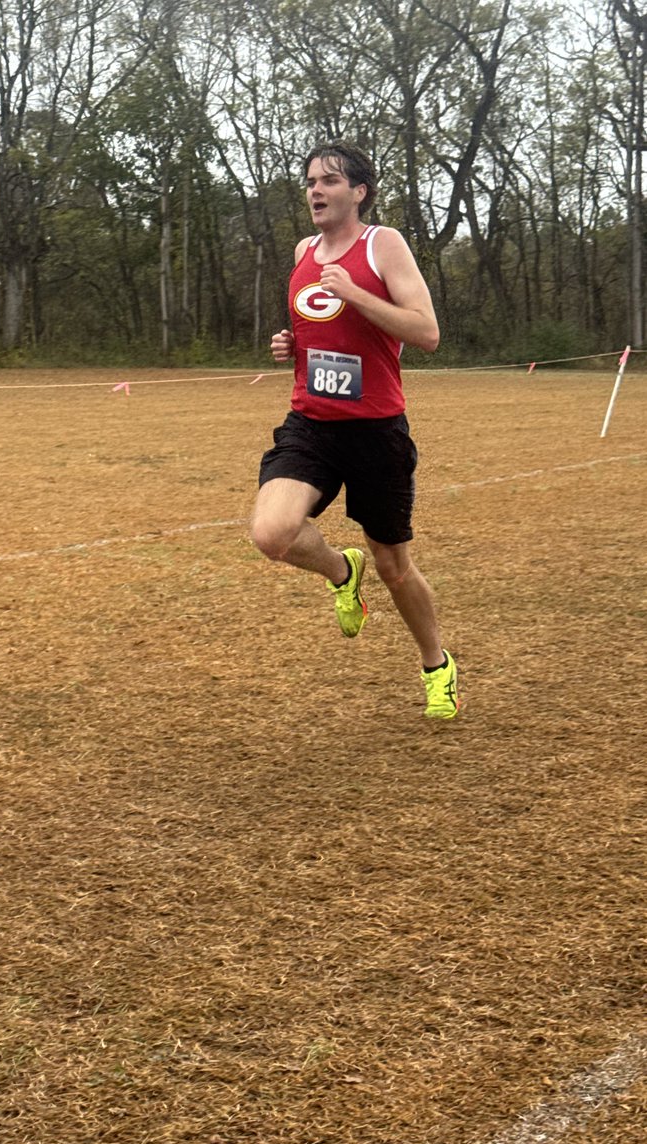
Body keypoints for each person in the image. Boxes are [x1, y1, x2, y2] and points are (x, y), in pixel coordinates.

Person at [250, 141, 459, 719]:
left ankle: (436, 664)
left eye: (330, 181)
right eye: (311, 180)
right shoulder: (303, 251)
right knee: (272, 533)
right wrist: (289, 346)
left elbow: (426, 333)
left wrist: (355, 293)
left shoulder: (382, 245)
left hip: (376, 432)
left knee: (394, 567)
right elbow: (321, 334)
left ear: (359, 191)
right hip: (311, 424)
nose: (316, 190)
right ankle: (342, 572)